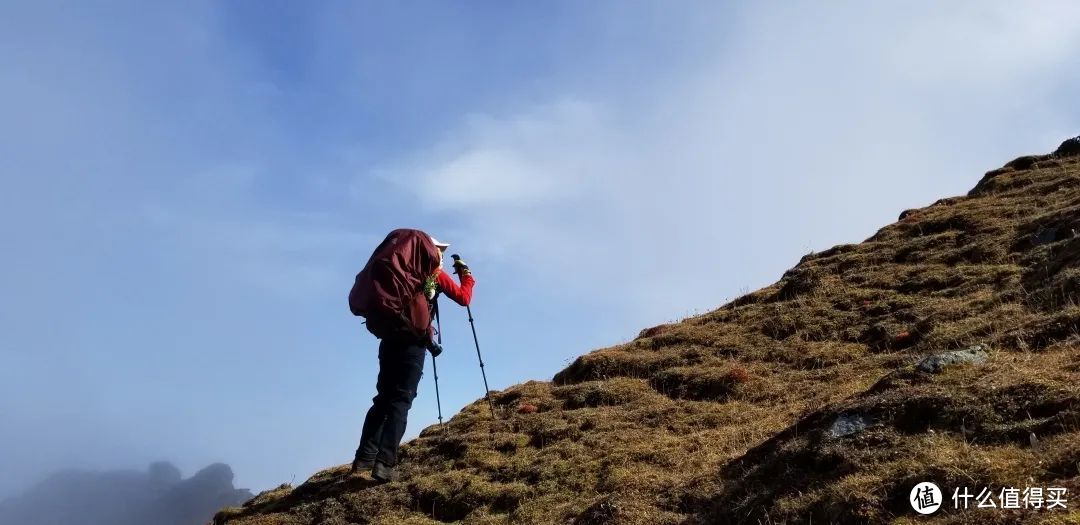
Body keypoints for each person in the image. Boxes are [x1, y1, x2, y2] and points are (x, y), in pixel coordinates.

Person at [351, 236, 474, 481]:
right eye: (439, 250)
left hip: (388, 339)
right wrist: (467, 275)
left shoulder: (400, 275)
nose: (439, 255)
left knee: (383, 399)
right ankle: (385, 464)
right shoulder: (432, 275)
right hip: (413, 343)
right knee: (401, 401)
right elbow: (464, 298)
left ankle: (363, 459)